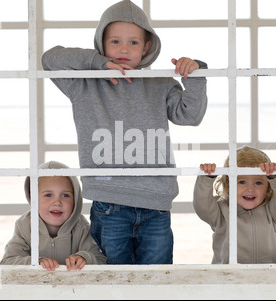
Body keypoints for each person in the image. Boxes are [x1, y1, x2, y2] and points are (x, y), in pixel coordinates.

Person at [41, 0, 208, 264]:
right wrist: (97, 64)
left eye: (133, 42)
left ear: (147, 47)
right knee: (112, 283)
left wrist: (195, 75)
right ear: (101, 43)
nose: (123, 49)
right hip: (109, 203)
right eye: (115, 41)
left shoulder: (160, 82)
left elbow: (189, 116)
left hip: (157, 204)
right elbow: (50, 59)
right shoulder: (83, 84)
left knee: (156, 282)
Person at [193, 146, 276, 264]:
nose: (250, 189)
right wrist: (206, 178)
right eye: (242, 182)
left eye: (258, 183)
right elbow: (202, 206)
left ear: (268, 187)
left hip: (270, 271)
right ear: (228, 185)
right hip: (228, 273)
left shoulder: (271, 209)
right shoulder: (221, 210)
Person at [0, 161, 107, 270]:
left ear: (76, 199)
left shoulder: (81, 227)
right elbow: (7, 261)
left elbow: (101, 260)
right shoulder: (25, 225)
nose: (57, 202)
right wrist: (36, 262)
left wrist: (84, 258)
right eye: (48, 195)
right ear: (33, 198)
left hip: (72, 285)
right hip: (36, 284)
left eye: (65, 195)